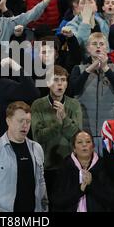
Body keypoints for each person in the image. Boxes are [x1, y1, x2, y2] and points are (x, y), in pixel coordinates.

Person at [0, 101, 48, 212]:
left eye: (28, 121)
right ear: (8, 121)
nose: (25, 125)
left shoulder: (37, 148)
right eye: (20, 121)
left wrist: (44, 208)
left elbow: (41, 182)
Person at [69, 33, 114, 154]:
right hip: (84, 131)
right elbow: (73, 90)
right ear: (88, 48)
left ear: (107, 49)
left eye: (101, 44)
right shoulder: (78, 69)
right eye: (94, 44)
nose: (98, 46)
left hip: (108, 130)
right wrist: (89, 70)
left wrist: (105, 68)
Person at [31, 65, 82, 199]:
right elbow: (38, 137)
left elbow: (77, 137)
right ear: (48, 83)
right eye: (56, 80)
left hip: (70, 165)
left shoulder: (74, 104)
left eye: (63, 80)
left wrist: (64, 118)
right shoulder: (38, 105)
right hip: (46, 166)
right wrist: (57, 124)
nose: (60, 84)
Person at [51, 130, 114, 212]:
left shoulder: (103, 166)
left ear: (93, 147)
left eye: (88, 141)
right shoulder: (65, 167)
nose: (84, 145)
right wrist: (80, 190)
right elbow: (57, 201)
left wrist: (92, 184)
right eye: (79, 142)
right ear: (74, 148)